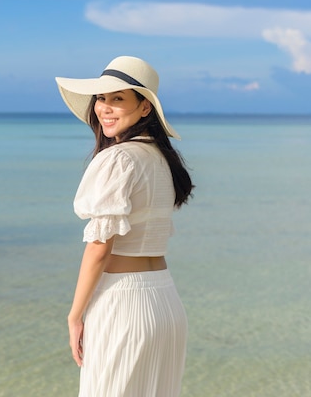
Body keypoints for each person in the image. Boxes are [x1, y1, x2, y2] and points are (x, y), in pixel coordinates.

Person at [55, 56, 194, 397]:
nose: (105, 107)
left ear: (145, 108)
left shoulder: (118, 158)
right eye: (102, 98)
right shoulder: (161, 159)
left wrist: (75, 316)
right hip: (164, 301)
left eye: (118, 99)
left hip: (122, 304)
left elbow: (100, 248)